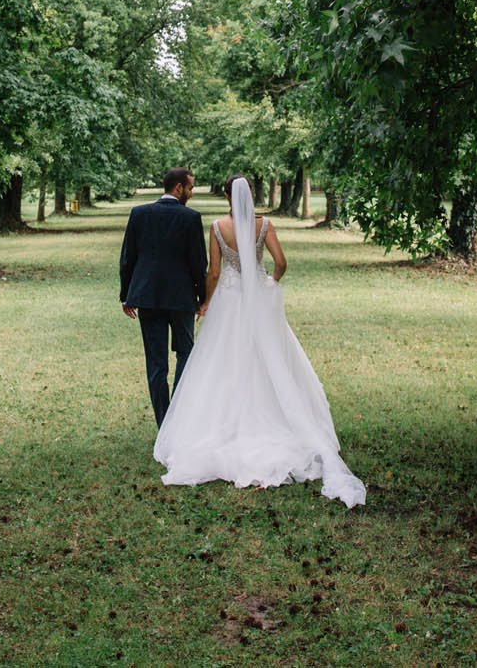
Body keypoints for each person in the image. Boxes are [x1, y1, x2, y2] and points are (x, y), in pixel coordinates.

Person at [153, 175, 366, 508]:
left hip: (228, 302)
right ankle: (278, 420)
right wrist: (269, 284)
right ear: (250, 195)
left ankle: (223, 424)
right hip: (258, 303)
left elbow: (213, 272)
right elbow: (281, 263)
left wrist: (206, 302)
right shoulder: (264, 224)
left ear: (226, 196)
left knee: (222, 363)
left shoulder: (217, 227)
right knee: (270, 361)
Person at [119, 168, 207, 427]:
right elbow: (198, 263)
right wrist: (202, 298)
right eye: (190, 188)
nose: (191, 194)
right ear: (178, 187)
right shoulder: (191, 218)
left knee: (156, 363)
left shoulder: (139, 214)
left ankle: (164, 423)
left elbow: (128, 258)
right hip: (181, 298)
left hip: (146, 297)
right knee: (186, 354)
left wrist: (127, 296)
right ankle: (176, 421)